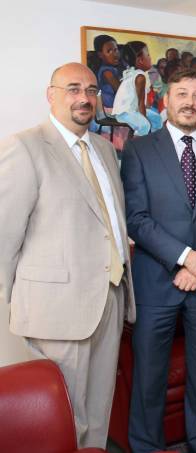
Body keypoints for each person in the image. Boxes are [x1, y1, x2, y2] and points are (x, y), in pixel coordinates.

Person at [0, 62, 135, 449]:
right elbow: (4, 237)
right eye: (73, 88)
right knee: (63, 420)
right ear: (52, 95)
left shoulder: (104, 150)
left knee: (97, 413)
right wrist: (19, 305)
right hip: (56, 310)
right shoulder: (25, 147)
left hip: (110, 298)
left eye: (91, 90)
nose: (84, 98)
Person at [121, 68, 196, 453]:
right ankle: (146, 446)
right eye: (182, 94)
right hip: (156, 281)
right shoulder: (139, 150)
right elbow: (136, 219)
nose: (190, 102)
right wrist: (185, 259)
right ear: (166, 100)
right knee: (149, 373)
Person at [112, 40, 162, 136]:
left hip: (133, 110)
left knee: (157, 119)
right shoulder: (139, 77)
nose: (150, 58)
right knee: (145, 125)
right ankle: (136, 143)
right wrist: (145, 119)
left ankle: (153, 140)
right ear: (140, 60)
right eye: (148, 55)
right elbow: (140, 103)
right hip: (124, 113)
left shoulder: (138, 74)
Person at [93, 34, 121, 109]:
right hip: (111, 107)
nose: (115, 54)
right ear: (100, 55)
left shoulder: (112, 68)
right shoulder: (107, 72)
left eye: (116, 49)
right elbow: (120, 90)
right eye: (109, 51)